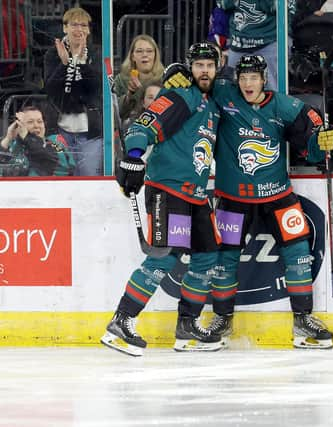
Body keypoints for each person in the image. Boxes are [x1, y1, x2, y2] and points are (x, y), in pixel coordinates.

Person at [203, 54, 333, 349]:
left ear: (265, 79)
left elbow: (312, 137)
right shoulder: (224, 95)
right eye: (244, 77)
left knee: (299, 250)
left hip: (277, 193)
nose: (248, 83)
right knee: (225, 259)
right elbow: (196, 83)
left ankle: (303, 320)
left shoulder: (285, 105)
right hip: (232, 196)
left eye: (254, 77)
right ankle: (222, 319)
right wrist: (177, 74)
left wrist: (323, 141)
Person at [101, 42, 223, 357]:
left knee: (207, 256)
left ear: (217, 66)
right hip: (169, 190)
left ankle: (187, 327)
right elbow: (145, 125)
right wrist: (134, 156)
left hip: (196, 195)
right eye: (199, 65)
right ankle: (122, 321)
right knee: (165, 256)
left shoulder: (211, 103)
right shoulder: (180, 96)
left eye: (210, 65)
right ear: (190, 68)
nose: (205, 71)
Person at [44, 7, 103, 176]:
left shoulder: (95, 53)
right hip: (61, 131)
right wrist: (65, 64)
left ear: (89, 30)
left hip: (90, 133)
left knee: (88, 178)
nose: (79, 29)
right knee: (63, 180)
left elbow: (95, 90)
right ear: (65, 28)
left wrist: (82, 63)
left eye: (83, 25)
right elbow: (51, 90)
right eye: (74, 24)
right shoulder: (53, 54)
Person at [216, 0, 296, 91]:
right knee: (234, 90)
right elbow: (223, 4)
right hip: (239, 42)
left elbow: (275, 6)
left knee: (271, 91)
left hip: (271, 40)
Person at [0, 106, 75, 176]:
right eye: (30, 122)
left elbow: (61, 168)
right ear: (19, 126)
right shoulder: (13, 146)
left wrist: (27, 138)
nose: (36, 126)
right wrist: (8, 139)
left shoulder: (55, 143)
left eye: (39, 121)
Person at [113, 35, 165, 124]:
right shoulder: (121, 79)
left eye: (149, 51)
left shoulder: (165, 78)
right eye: (139, 51)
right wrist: (129, 96)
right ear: (133, 56)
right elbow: (113, 113)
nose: (145, 55)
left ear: (155, 55)